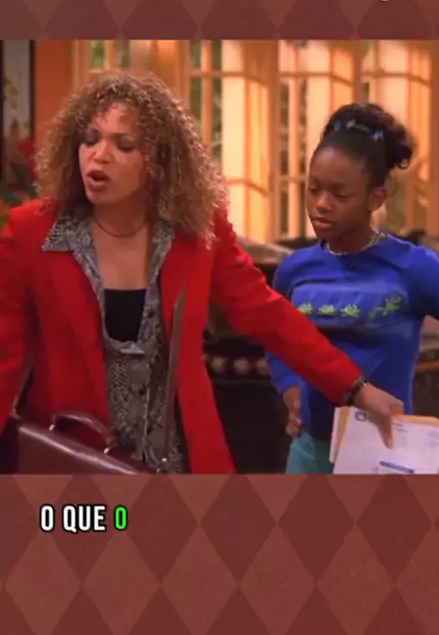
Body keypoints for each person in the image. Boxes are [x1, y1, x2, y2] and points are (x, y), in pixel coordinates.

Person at [0, 73, 401, 475]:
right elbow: (4, 359)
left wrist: (353, 387)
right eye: (90, 139)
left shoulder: (196, 230)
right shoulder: (33, 232)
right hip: (74, 461)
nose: (99, 156)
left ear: (158, 161)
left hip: (180, 466)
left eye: (124, 145)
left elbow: (266, 313)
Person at [267, 102, 439, 474]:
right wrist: (290, 387)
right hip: (308, 455)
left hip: (386, 460)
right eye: (313, 189)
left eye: (340, 195)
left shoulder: (415, 268)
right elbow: (276, 338)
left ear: (375, 198)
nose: (321, 204)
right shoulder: (294, 270)